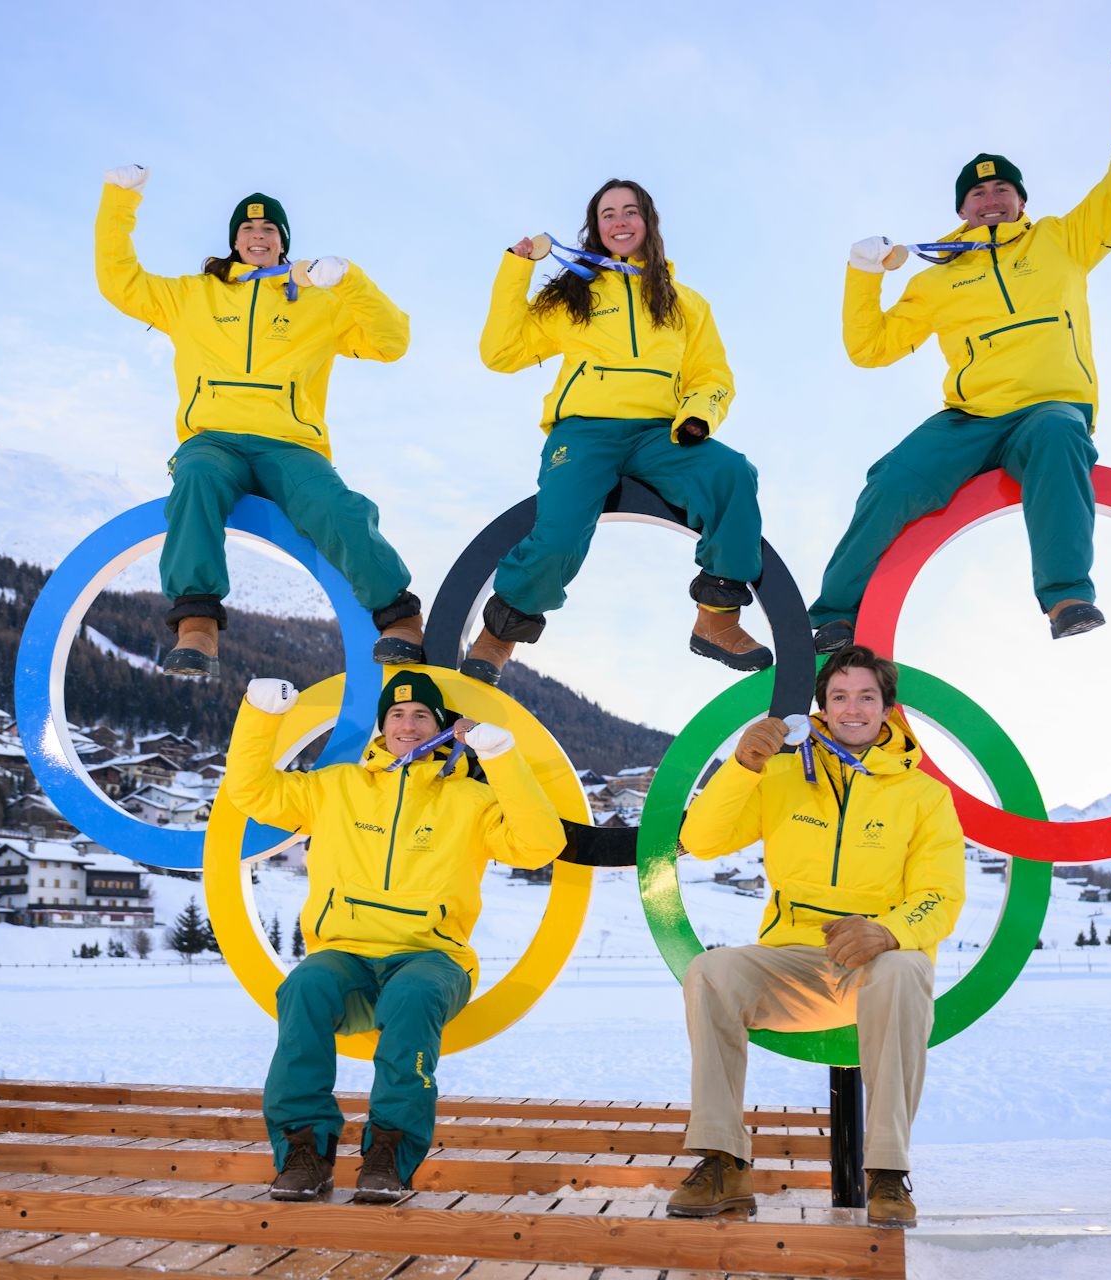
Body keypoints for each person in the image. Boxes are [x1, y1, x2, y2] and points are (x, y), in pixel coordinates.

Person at [811, 43, 1111, 652]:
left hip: (1049, 407)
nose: (991, 198)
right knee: (893, 478)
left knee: (1058, 436)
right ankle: (836, 615)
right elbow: (870, 348)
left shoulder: (1062, 242)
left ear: (1021, 201)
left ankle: (1067, 596)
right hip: (970, 419)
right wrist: (863, 274)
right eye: (978, 194)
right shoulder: (938, 276)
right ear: (961, 209)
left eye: (1003, 189)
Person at [222, 669, 565, 1202]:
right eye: (397, 715)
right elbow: (251, 790)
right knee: (303, 988)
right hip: (346, 957)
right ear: (382, 726)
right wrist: (260, 717)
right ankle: (303, 1153)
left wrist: (501, 759)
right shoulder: (334, 786)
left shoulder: (470, 800)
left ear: (441, 725)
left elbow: (541, 843)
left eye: (421, 714)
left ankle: (388, 1155)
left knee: (413, 994)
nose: (408, 724)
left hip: (433, 958)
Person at [669, 645, 965, 1228]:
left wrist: (888, 931)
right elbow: (701, 839)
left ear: (887, 709)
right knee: (711, 972)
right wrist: (741, 766)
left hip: (876, 965)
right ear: (822, 709)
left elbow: (942, 895)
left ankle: (886, 1173)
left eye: (866, 697)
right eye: (839, 696)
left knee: (906, 968)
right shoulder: (780, 773)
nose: (852, 708)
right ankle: (723, 1161)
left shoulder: (924, 795)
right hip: (793, 962)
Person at [95, 165, 426, 677]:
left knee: (336, 507)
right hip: (214, 440)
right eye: (248, 229)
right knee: (196, 478)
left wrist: (348, 281)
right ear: (233, 240)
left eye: (269, 229)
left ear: (283, 242)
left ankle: (399, 618)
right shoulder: (191, 296)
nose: (257, 236)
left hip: (289, 445)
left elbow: (391, 341)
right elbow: (120, 281)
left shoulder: (319, 301)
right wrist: (120, 200)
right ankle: (197, 625)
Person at [465, 178, 770, 684]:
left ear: (648, 222)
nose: (620, 221)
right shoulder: (572, 295)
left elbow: (713, 377)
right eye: (608, 214)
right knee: (560, 534)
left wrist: (698, 415)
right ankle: (501, 631)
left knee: (732, 474)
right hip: (585, 432)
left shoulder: (686, 304)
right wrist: (517, 268)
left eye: (630, 211)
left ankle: (717, 619)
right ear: (596, 228)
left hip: (661, 434)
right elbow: (499, 353)